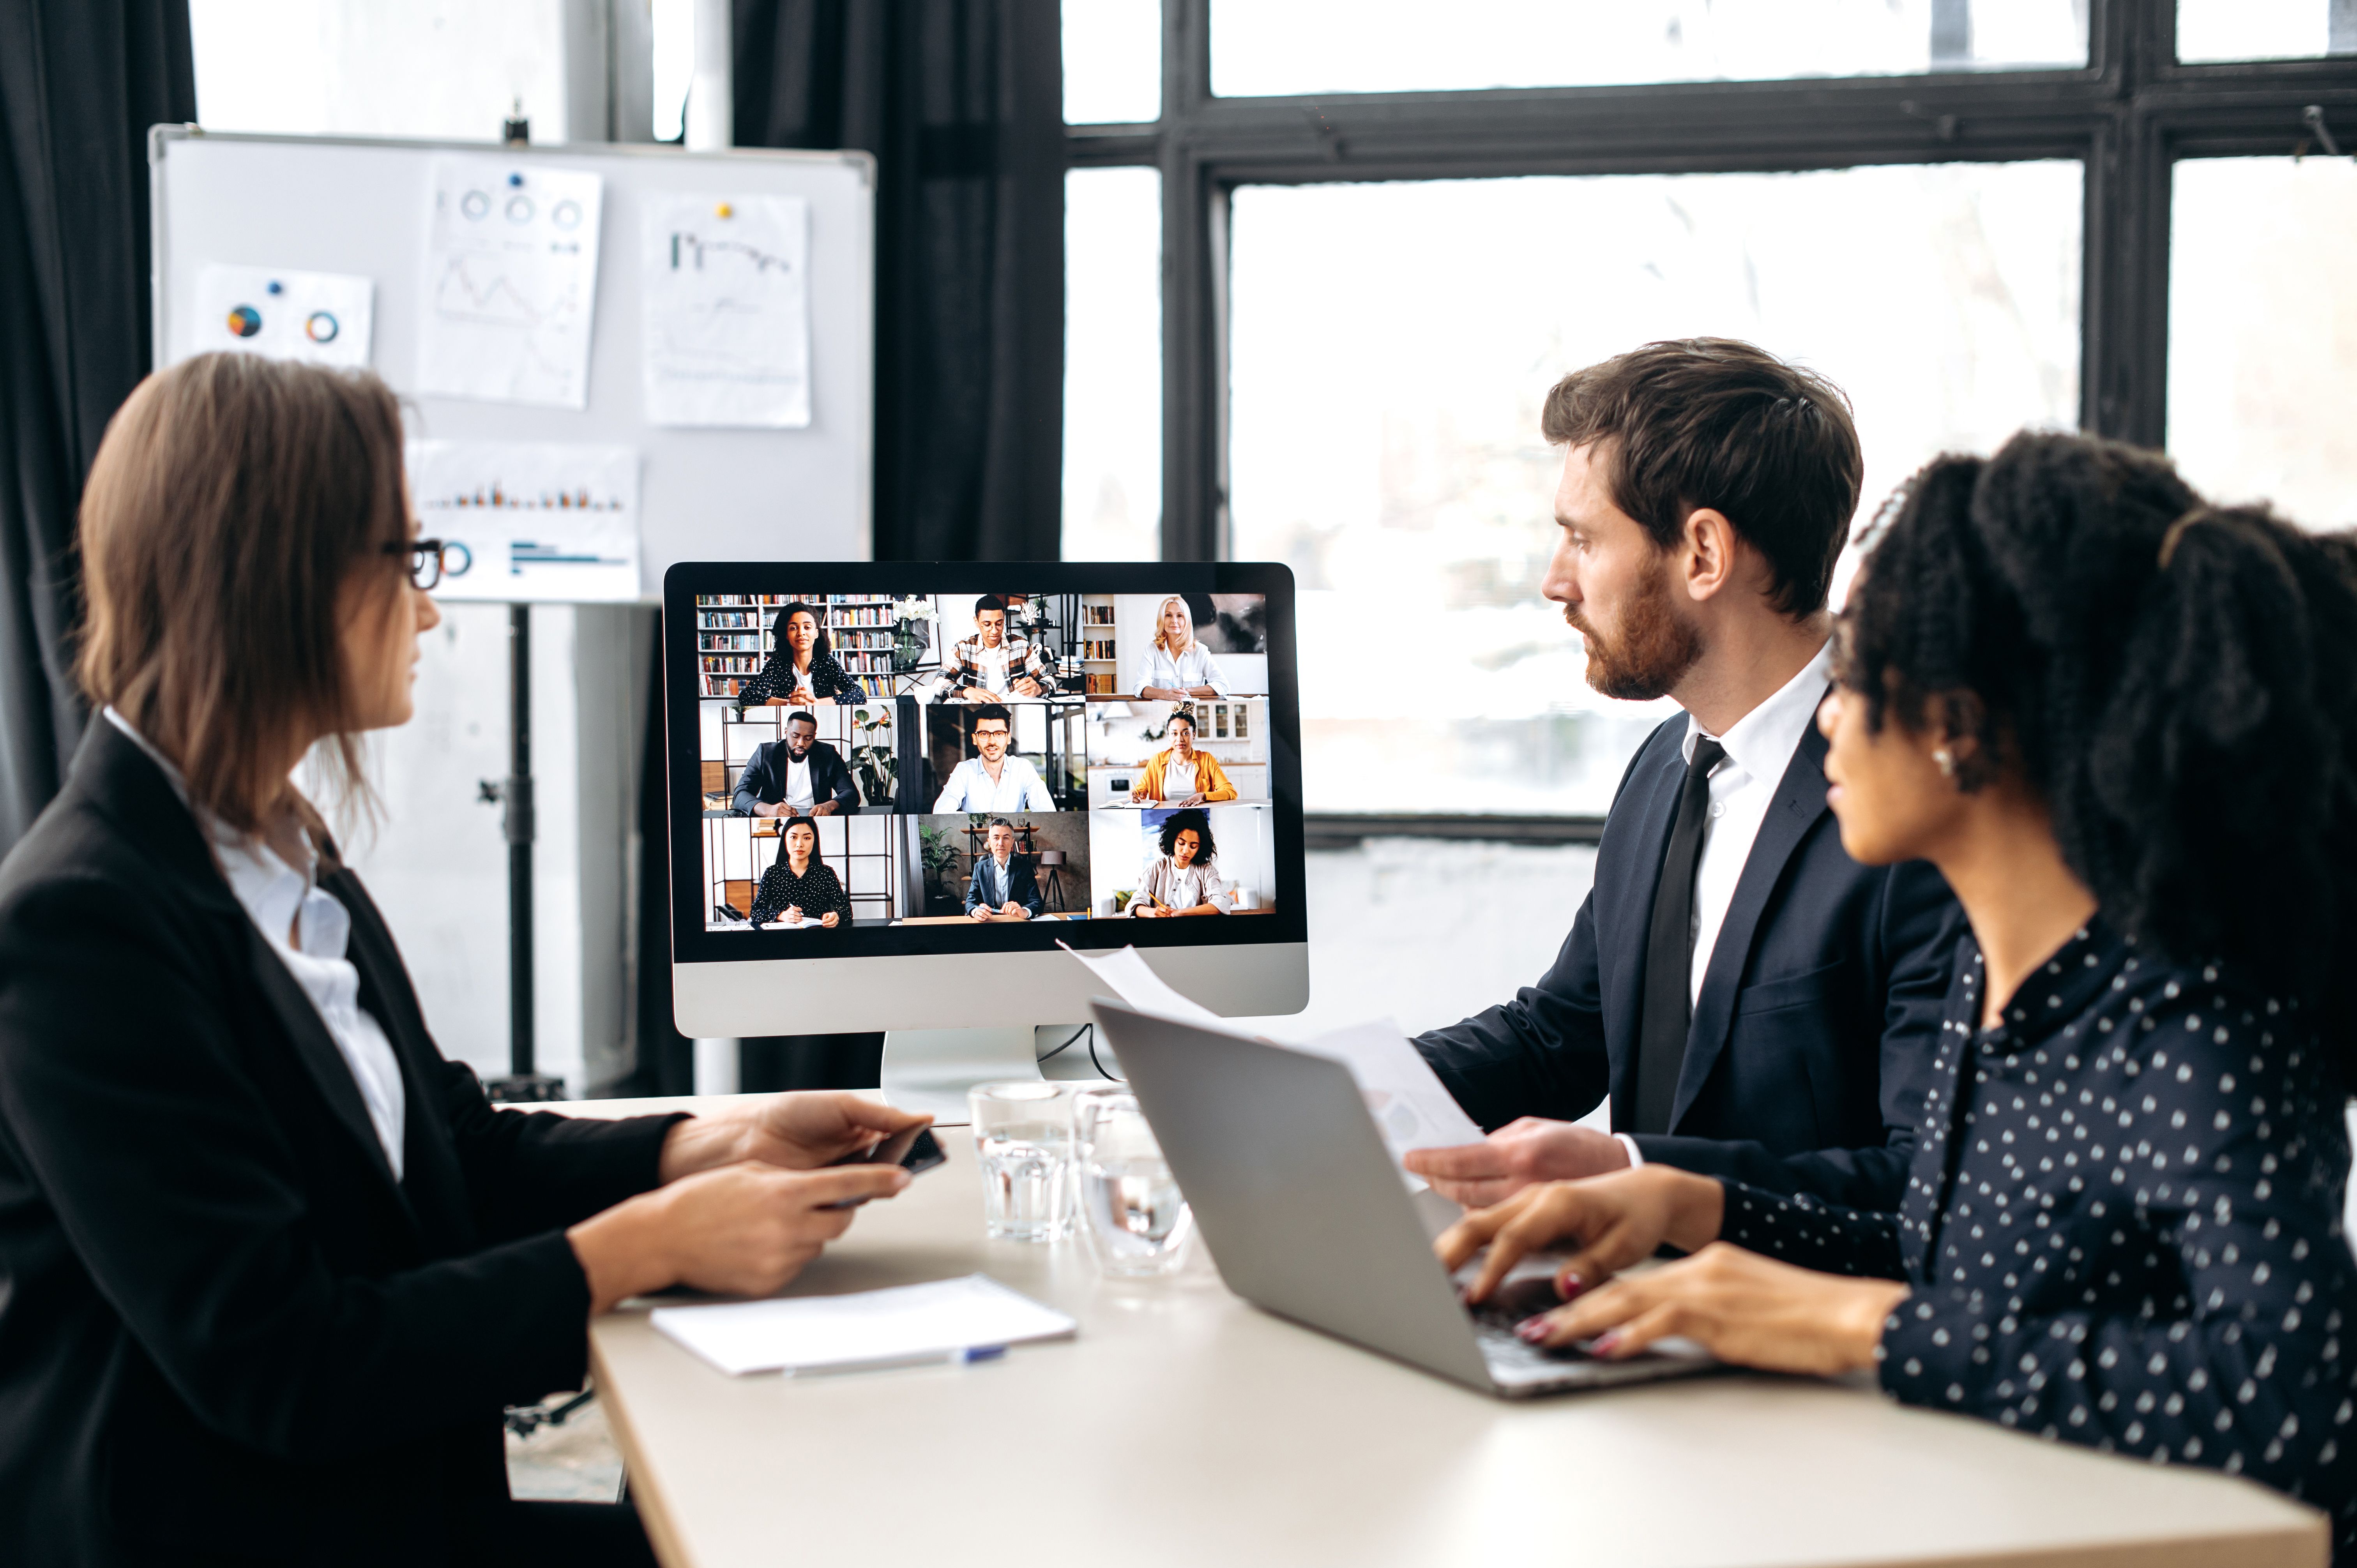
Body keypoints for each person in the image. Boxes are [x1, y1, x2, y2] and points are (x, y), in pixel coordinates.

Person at [0, 354, 931, 1568]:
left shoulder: (278, 850)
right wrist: (650, 1244)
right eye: (407, 560)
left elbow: (456, 1150)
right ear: (282, 576)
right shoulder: (81, 926)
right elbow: (285, 1365)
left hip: (378, 1497)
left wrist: (706, 1143)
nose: (430, 610)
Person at [1440, 431, 2357, 1547]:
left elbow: (2305, 1398)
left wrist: (1857, 1327)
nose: (1825, 712)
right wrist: (1695, 1207)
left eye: (1858, 672)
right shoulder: (1994, 969)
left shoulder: (2184, 1013)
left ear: (1958, 729)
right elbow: (1962, 1278)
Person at [1403, 339, 1965, 1211]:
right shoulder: (1668, 766)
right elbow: (1561, 1037)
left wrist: (1637, 1179)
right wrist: (1342, 1085)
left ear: (1703, 553)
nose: (1555, 582)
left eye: (1583, 540)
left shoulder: (1908, 803)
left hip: (1779, 1328)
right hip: (1623, 1307)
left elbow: (1924, 1186)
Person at [733, 600, 863, 713]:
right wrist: (788, 703)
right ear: (787, 635)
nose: (801, 633)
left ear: (816, 633)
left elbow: (859, 695)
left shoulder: (827, 663)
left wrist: (815, 703)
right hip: (786, 723)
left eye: (807, 627)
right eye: (794, 628)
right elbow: (747, 696)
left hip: (825, 721)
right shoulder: (777, 664)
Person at [732, 710, 859, 817]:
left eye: (808, 738)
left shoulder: (828, 754)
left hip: (815, 820)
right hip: (776, 821)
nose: (801, 743)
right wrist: (767, 810)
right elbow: (741, 794)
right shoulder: (766, 754)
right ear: (786, 732)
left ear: (814, 737)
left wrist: (829, 806)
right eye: (795, 736)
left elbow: (851, 794)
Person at [932, 704, 1057, 812]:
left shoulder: (1023, 767)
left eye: (999, 734)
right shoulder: (964, 770)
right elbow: (942, 812)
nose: (992, 741)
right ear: (975, 739)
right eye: (984, 734)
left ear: (1008, 738)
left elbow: (1047, 812)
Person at [931, 595, 1053, 701]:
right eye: (987, 625)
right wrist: (967, 692)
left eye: (999, 624)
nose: (995, 631)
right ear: (977, 622)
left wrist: (1038, 689)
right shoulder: (964, 649)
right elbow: (938, 682)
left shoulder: (1021, 646)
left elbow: (1050, 680)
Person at [749, 816, 853, 929]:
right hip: (782, 939)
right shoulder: (773, 873)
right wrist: (780, 915)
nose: (799, 844)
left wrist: (836, 915)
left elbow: (846, 910)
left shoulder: (826, 873)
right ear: (785, 839)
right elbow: (756, 912)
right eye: (794, 837)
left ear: (815, 841)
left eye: (807, 838)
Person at [1127, 809, 1230, 918]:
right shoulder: (1157, 868)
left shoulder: (1206, 870)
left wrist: (1180, 913)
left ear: (1200, 847)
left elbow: (1221, 904)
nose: (1186, 851)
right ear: (1173, 841)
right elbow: (1134, 905)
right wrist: (1153, 913)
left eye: (1193, 846)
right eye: (1181, 843)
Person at [1128, 709, 1239, 806]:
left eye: (1186, 733)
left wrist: (1203, 796)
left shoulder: (1207, 760)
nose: (1180, 739)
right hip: (1164, 816)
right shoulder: (1157, 761)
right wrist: (1134, 796)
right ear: (1169, 736)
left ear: (1194, 734)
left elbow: (1230, 792)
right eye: (1174, 734)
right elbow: (1140, 791)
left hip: (1198, 816)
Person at [1137, 595, 1232, 700]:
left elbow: (1223, 685)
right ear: (1162, 620)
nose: (1174, 621)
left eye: (1180, 616)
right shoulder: (1152, 650)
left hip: (1192, 712)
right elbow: (1140, 687)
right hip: (1162, 712)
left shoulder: (1201, 651)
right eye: (1168, 615)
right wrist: (1166, 694)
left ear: (1186, 620)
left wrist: (1186, 691)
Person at [964, 818, 1042, 922]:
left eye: (1006, 838)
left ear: (1012, 843)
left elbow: (1037, 902)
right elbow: (970, 901)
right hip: (989, 922)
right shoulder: (980, 868)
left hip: (1016, 922)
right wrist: (975, 911)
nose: (1001, 843)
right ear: (989, 843)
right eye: (996, 838)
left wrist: (1024, 911)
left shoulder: (1025, 867)